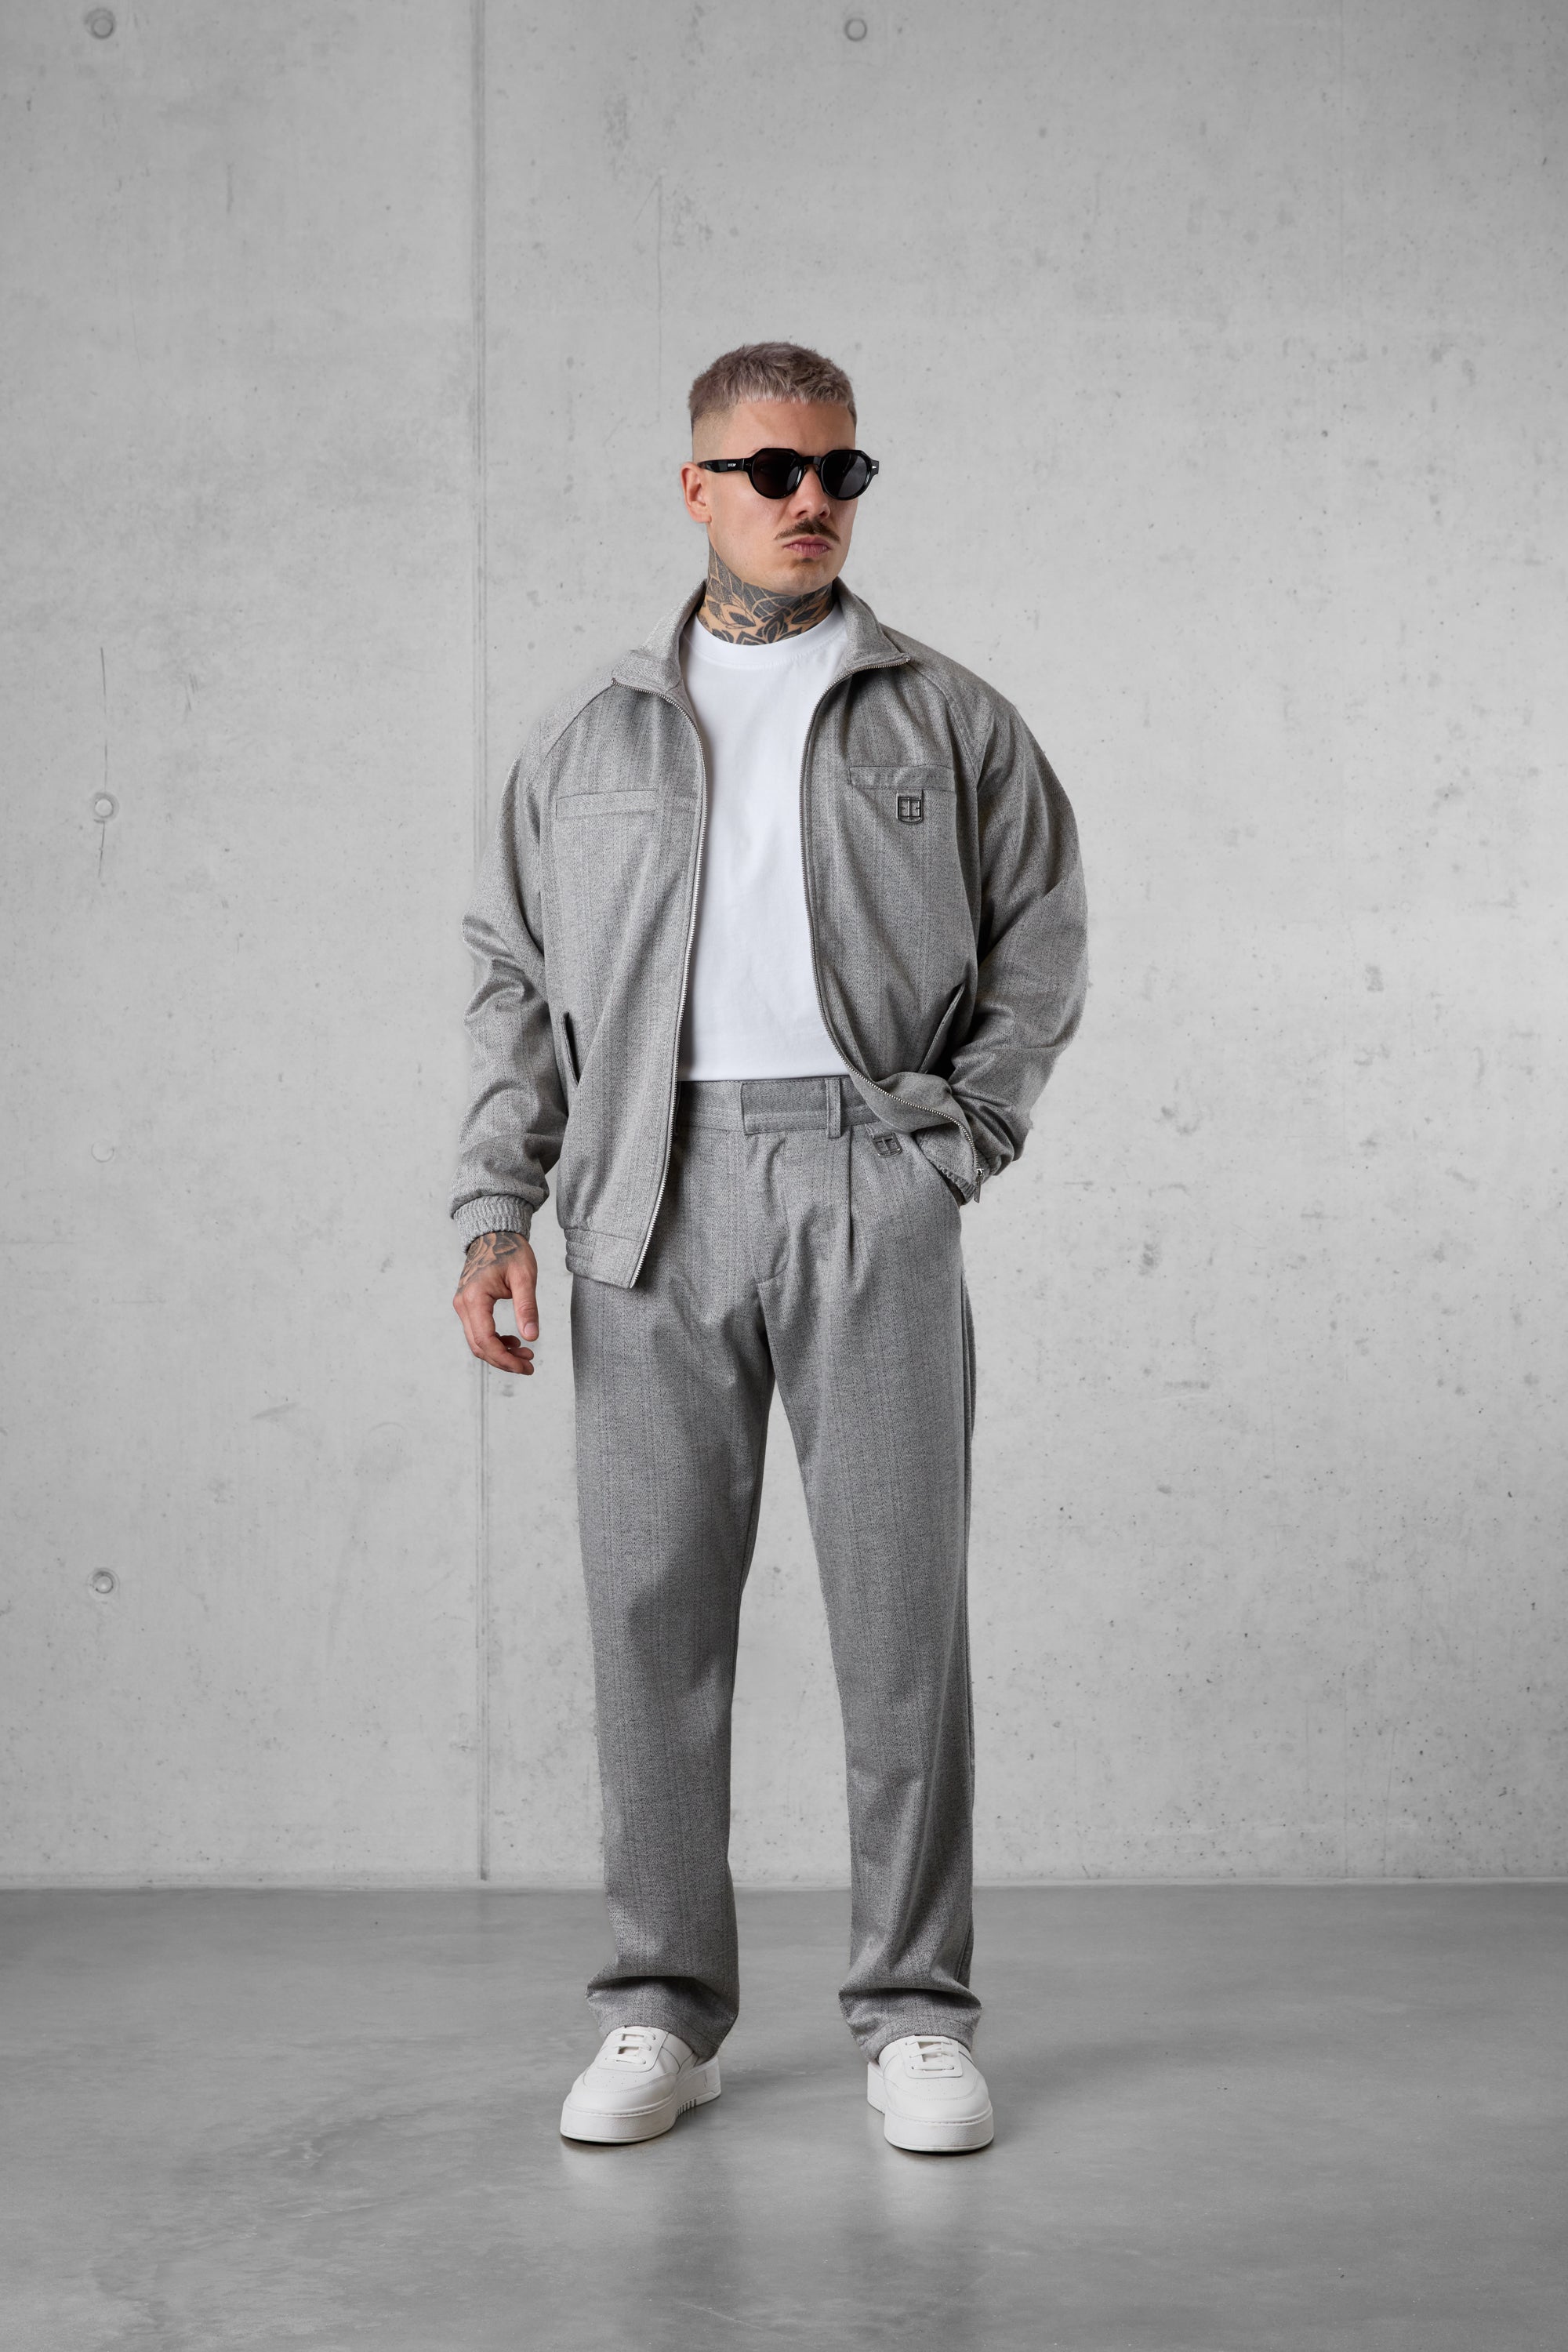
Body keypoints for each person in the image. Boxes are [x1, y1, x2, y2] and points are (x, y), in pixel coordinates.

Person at [450, 342, 1087, 2154]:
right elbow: (512, 977)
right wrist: (496, 1206)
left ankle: (915, 2011)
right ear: (698, 488)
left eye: (840, 470)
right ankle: (660, 2006)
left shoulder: (946, 716)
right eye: (773, 470)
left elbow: (1040, 939)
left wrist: (954, 1144)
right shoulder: (589, 732)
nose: (812, 500)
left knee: (899, 1615)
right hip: (643, 1193)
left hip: (866, 1178)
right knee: (649, 1612)